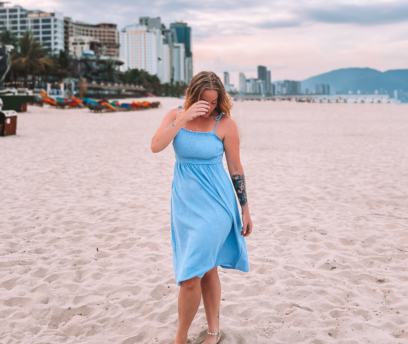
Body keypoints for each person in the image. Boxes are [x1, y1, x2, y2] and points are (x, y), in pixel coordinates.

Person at [151, 71, 253, 344]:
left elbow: (235, 168)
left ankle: (180, 338)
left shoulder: (225, 123)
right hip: (184, 207)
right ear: (193, 96)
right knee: (207, 270)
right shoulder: (175, 116)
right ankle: (213, 332)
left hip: (217, 206)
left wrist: (245, 208)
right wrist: (184, 117)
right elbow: (156, 146)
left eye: (214, 100)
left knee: (191, 275)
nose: (210, 106)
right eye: (204, 101)